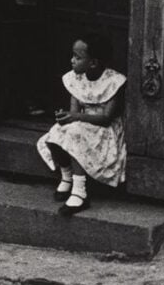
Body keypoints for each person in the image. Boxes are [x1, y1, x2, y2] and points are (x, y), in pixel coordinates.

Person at [37, 35, 126, 213]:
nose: (72, 61)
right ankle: (67, 177)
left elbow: (106, 118)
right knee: (57, 132)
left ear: (92, 63)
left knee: (75, 133)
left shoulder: (113, 82)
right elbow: (74, 110)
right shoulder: (75, 79)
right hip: (82, 123)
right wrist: (66, 117)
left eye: (77, 58)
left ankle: (80, 192)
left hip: (103, 129)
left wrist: (75, 117)